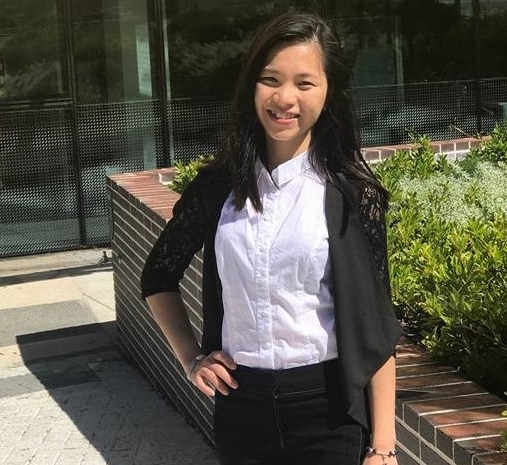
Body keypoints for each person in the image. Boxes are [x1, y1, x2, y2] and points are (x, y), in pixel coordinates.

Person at [140, 10, 402, 465]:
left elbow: (375, 325)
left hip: (329, 411)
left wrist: (383, 447)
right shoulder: (217, 188)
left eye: (305, 83)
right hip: (242, 408)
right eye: (270, 79)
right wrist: (191, 360)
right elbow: (158, 276)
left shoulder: (352, 195)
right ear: (251, 87)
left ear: (329, 93)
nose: (285, 98)